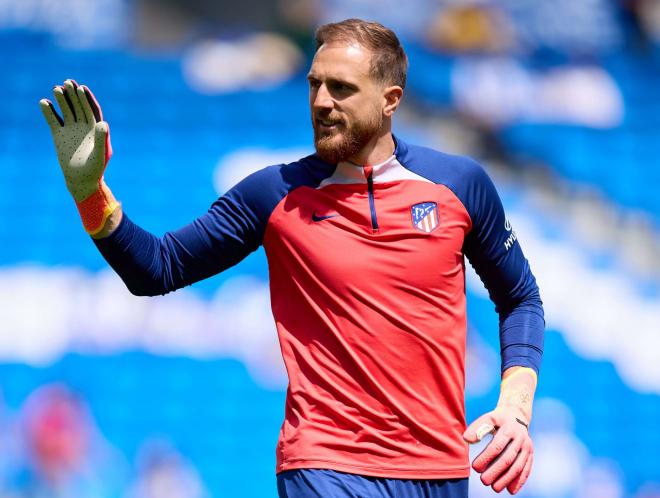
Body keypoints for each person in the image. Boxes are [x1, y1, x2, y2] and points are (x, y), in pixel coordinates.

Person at [39, 18, 544, 498]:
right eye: (314, 84)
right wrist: (90, 194)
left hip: (437, 469)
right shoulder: (275, 194)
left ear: (391, 100)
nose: (322, 102)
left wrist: (516, 408)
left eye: (341, 88)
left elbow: (520, 297)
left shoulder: (459, 186)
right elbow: (157, 268)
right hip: (325, 463)